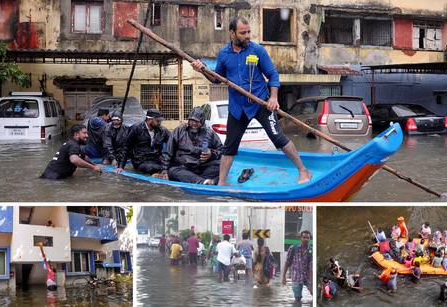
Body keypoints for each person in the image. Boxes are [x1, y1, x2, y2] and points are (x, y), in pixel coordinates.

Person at [191, 16, 311, 186]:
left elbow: (273, 75)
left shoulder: (257, 50)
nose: (247, 36)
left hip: (260, 103)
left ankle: (303, 171)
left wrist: (273, 97)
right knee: (229, 146)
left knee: (278, 138)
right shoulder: (224, 54)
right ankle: (222, 183)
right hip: (237, 108)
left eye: (248, 32)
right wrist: (202, 69)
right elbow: (216, 79)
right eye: (243, 33)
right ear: (232, 33)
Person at [161, 107, 223, 184]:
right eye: (191, 120)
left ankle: (196, 180)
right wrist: (164, 170)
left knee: (222, 165)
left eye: (196, 121)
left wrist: (211, 153)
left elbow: (221, 150)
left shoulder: (209, 133)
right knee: (172, 171)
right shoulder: (179, 131)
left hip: (201, 167)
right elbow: (168, 151)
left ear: (202, 121)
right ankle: (203, 181)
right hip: (183, 167)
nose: (193, 123)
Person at [122, 109, 170, 175]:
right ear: (149, 119)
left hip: (156, 159)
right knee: (152, 168)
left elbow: (173, 142)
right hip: (140, 161)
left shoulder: (162, 130)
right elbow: (126, 147)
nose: (159, 123)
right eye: (158, 121)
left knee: (171, 167)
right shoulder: (136, 128)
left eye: (160, 121)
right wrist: (121, 166)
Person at [282, 230, 312, 303]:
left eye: (307, 238)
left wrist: (311, 282)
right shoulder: (293, 248)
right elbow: (287, 262)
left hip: (308, 276)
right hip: (296, 277)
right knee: (297, 298)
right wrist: (283, 276)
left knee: (314, 292)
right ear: (300, 238)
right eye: (304, 237)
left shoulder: (311, 250)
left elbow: (312, 267)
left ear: (310, 239)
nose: (306, 239)